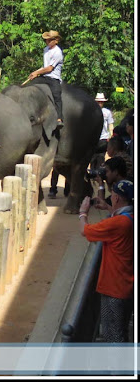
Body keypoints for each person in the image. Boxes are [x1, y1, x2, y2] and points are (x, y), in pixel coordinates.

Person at [78, 180, 134, 343]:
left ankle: (118, 368)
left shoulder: (118, 223)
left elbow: (84, 230)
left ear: (116, 198)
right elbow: (121, 219)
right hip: (125, 285)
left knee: (114, 335)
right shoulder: (129, 218)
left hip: (114, 288)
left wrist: (83, 213)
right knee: (120, 329)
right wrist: (108, 208)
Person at [27, 30, 64, 128]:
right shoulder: (46, 50)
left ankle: (59, 118)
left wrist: (37, 72)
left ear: (56, 40)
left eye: (50, 40)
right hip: (44, 76)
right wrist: (34, 73)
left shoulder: (58, 52)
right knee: (30, 85)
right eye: (46, 40)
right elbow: (45, 66)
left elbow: (50, 68)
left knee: (57, 95)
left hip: (53, 78)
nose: (47, 42)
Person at [92, 92, 115, 169]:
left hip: (103, 138)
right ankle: (92, 178)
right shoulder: (91, 111)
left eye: (101, 102)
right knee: (92, 159)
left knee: (101, 159)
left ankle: (99, 177)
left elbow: (110, 124)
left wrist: (111, 135)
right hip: (93, 138)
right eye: (98, 101)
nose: (100, 103)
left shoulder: (107, 112)